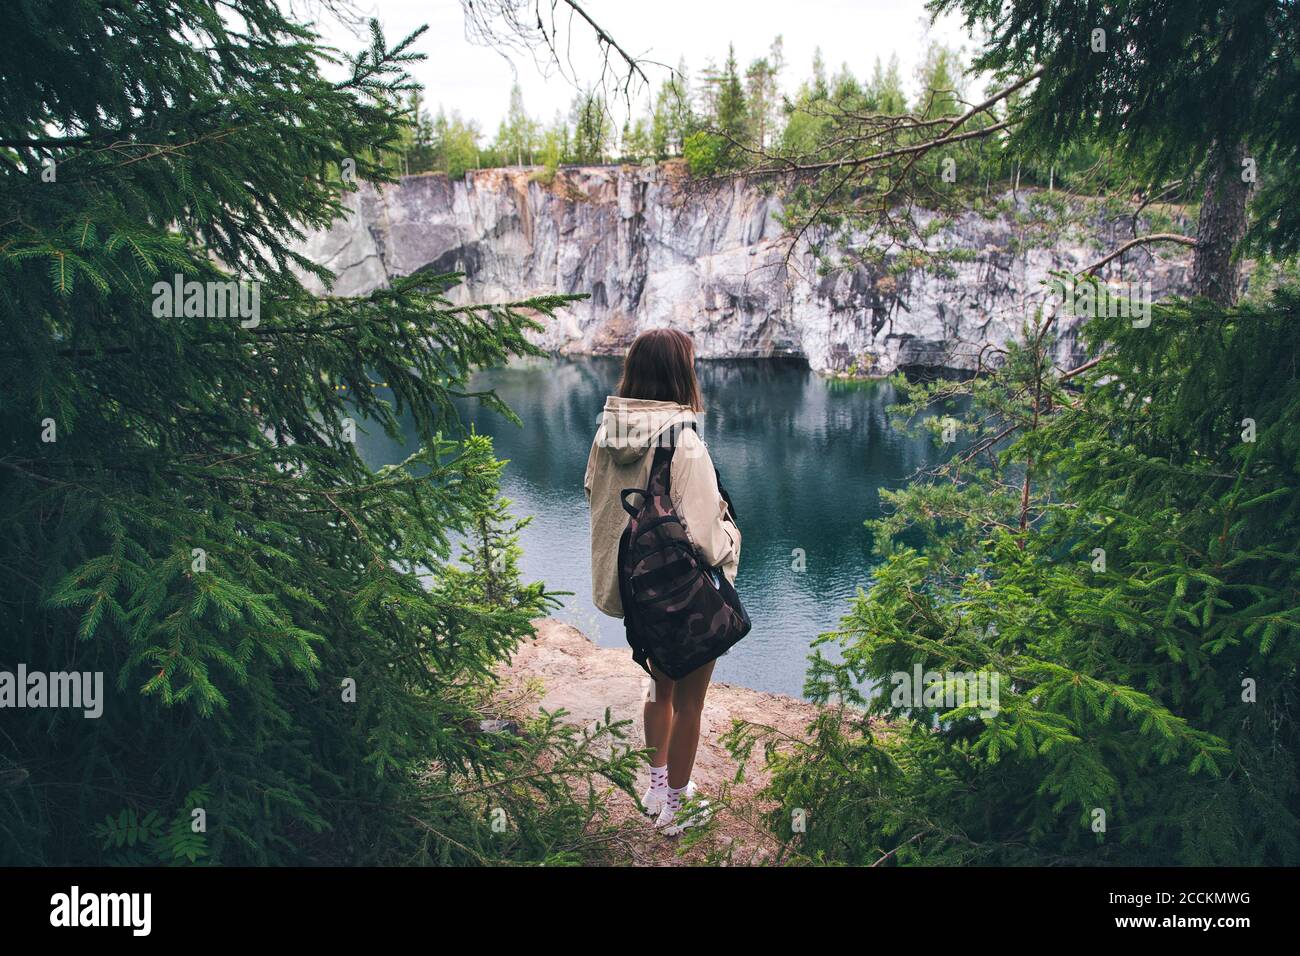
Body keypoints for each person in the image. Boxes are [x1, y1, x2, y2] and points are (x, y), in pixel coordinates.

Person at [584, 328, 741, 834]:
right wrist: (732, 535)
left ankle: (656, 787)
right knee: (691, 701)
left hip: (635, 585)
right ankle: (676, 808)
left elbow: (596, 497)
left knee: (659, 689)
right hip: (680, 589)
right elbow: (706, 540)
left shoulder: (606, 433)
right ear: (680, 374)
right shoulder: (684, 441)